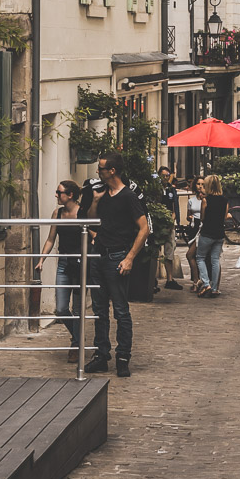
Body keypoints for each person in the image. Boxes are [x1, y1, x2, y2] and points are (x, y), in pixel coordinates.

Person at [85, 152, 149, 376]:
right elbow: (93, 220)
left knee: (121, 311)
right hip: (99, 256)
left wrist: (129, 257)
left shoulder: (128, 197)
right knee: (99, 310)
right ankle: (101, 355)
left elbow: (144, 228)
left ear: (112, 171)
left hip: (117, 257)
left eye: (100, 168)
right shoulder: (104, 195)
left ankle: (123, 357)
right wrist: (95, 201)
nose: (98, 172)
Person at [36, 179, 84, 361]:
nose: (56, 195)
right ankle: (79, 338)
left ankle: (75, 345)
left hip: (80, 263)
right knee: (61, 308)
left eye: (59, 192)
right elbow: (50, 239)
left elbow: (94, 236)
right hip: (63, 263)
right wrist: (42, 260)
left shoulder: (83, 213)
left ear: (70, 195)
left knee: (78, 309)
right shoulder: (57, 213)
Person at [195, 174, 228, 297]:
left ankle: (206, 283)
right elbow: (225, 217)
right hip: (219, 234)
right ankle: (214, 288)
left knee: (200, 257)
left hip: (207, 233)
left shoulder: (206, 200)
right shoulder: (224, 200)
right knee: (215, 260)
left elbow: (203, 217)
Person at [157, 165, 183, 291]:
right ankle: (153, 280)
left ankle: (170, 279)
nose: (166, 178)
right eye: (164, 175)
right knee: (155, 251)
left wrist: (172, 221)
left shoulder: (171, 190)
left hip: (169, 224)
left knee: (170, 251)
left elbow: (174, 208)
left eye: (168, 176)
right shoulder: (156, 189)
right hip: (157, 224)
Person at [185, 174, 204, 290]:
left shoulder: (207, 200)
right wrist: (190, 217)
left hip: (202, 227)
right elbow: (187, 216)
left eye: (202, 184)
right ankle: (195, 280)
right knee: (192, 256)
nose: (200, 187)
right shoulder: (191, 201)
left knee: (192, 255)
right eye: (198, 184)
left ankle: (199, 281)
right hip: (193, 227)